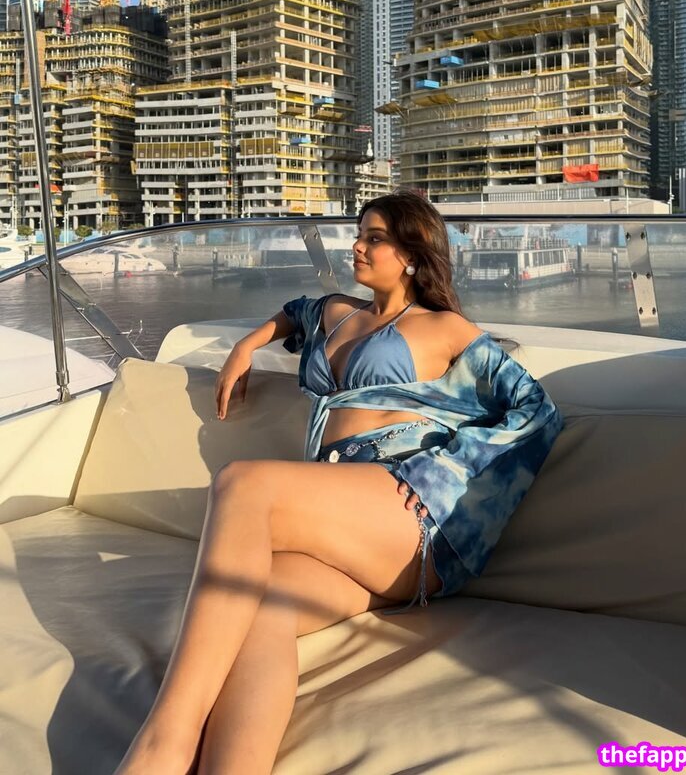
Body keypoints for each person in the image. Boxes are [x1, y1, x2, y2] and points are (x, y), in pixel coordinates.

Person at [116, 189, 562, 775]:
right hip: (346, 521)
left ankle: (165, 740)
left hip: (407, 513)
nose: (357, 246)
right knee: (261, 607)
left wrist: (443, 470)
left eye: (375, 238)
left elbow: (537, 410)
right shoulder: (337, 312)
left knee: (243, 484)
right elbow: (296, 312)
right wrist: (248, 344)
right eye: (358, 234)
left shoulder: (446, 329)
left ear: (411, 254)